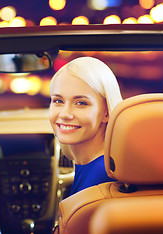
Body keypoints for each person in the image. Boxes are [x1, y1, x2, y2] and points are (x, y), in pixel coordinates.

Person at [49, 56, 123, 196]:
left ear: (106, 112)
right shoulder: (97, 166)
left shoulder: (104, 178)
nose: (65, 114)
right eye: (58, 100)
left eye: (81, 103)